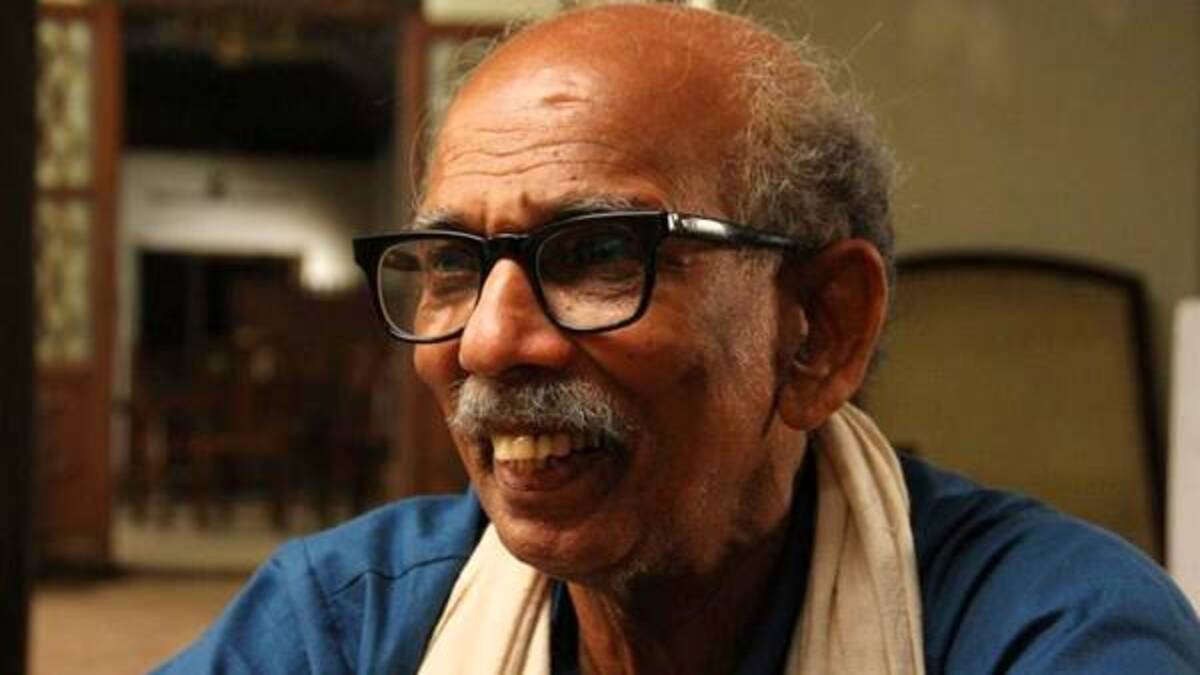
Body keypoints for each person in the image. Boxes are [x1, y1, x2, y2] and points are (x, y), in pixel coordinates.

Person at [157, 4, 1200, 673]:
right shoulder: (352, 623)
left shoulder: (1042, 631)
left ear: (819, 330)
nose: (489, 342)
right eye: (454, 265)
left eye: (599, 253)